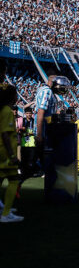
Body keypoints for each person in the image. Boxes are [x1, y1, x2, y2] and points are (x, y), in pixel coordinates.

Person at [0, 85, 23, 222]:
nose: (17, 97)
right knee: (14, 180)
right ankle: (6, 214)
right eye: (16, 94)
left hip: (2, 152)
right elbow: (5, 134)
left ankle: (4, 210)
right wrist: (12, 155)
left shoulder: (2, 110)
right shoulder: (7, 111)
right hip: (5, 154)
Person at [19, 107, 38, 181]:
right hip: (24, 143)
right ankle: (24, 172)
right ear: (25, 114)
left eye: (30, 113)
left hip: (32, 143)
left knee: (32, 159)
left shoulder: (34, 121)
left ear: (32, 114)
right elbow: (21, 130)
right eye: (27, 113)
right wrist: (26, 132)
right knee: (24, 158)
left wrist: (30, 133)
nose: (29, 114)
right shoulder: (23, 121)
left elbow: (35, 131)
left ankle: (31, 172)